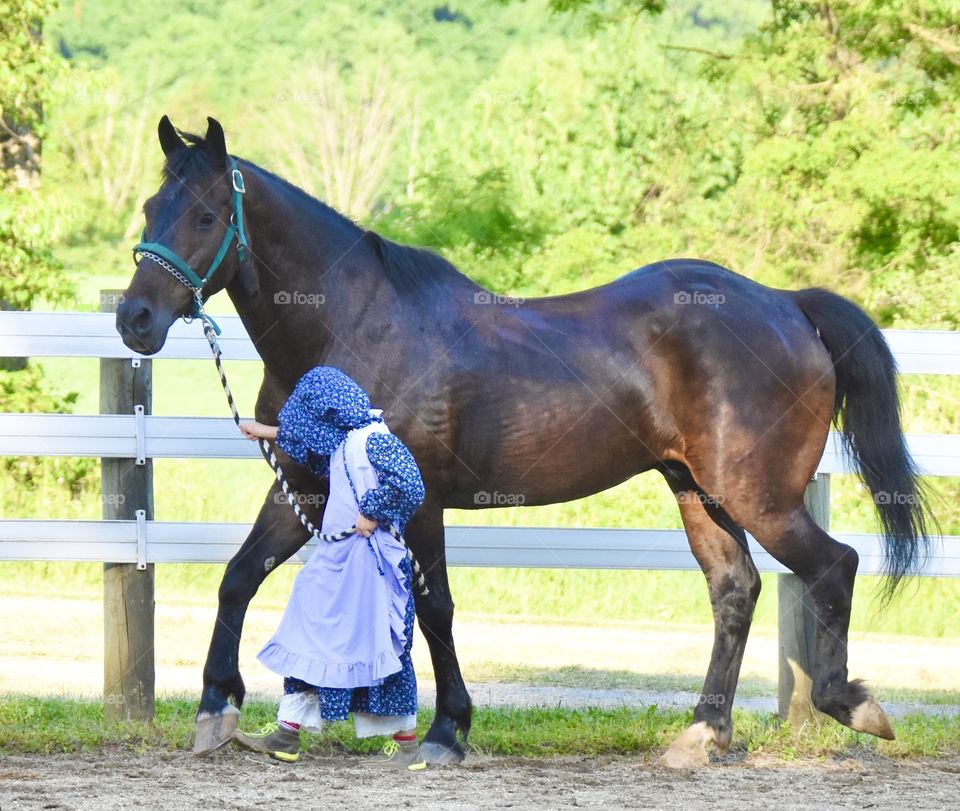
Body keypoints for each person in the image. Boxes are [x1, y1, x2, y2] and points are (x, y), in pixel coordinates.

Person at [232, 366, 426, 770]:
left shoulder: (375, 441)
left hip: (368, 559)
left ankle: (407, 746)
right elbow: (317, 446)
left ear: (330, 412)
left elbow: (410, 485)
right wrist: (267, 432)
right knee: (308, 629)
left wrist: (372, 513)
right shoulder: (348, 439)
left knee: (380, 644)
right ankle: (287, 732)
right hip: (338, 558)